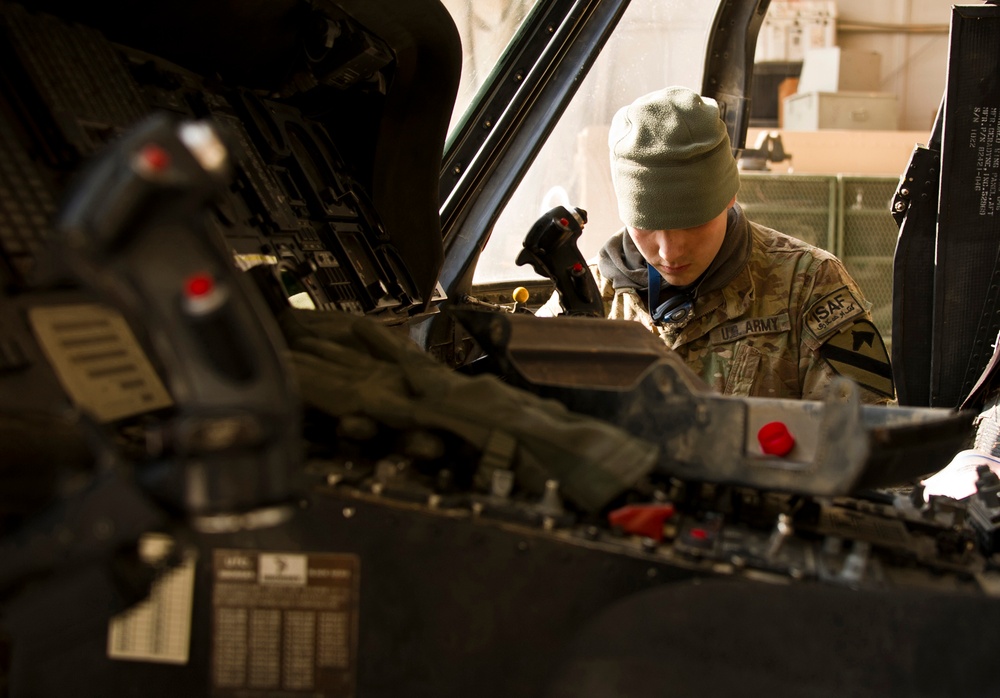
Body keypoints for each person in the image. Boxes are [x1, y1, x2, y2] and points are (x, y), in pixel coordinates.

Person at [545, 86, 895, 404]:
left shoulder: (807, 285)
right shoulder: (585, 295)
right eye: (646, 226)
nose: (668, 252)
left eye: (693, 224)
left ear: (729, 197)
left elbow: (868, 441)